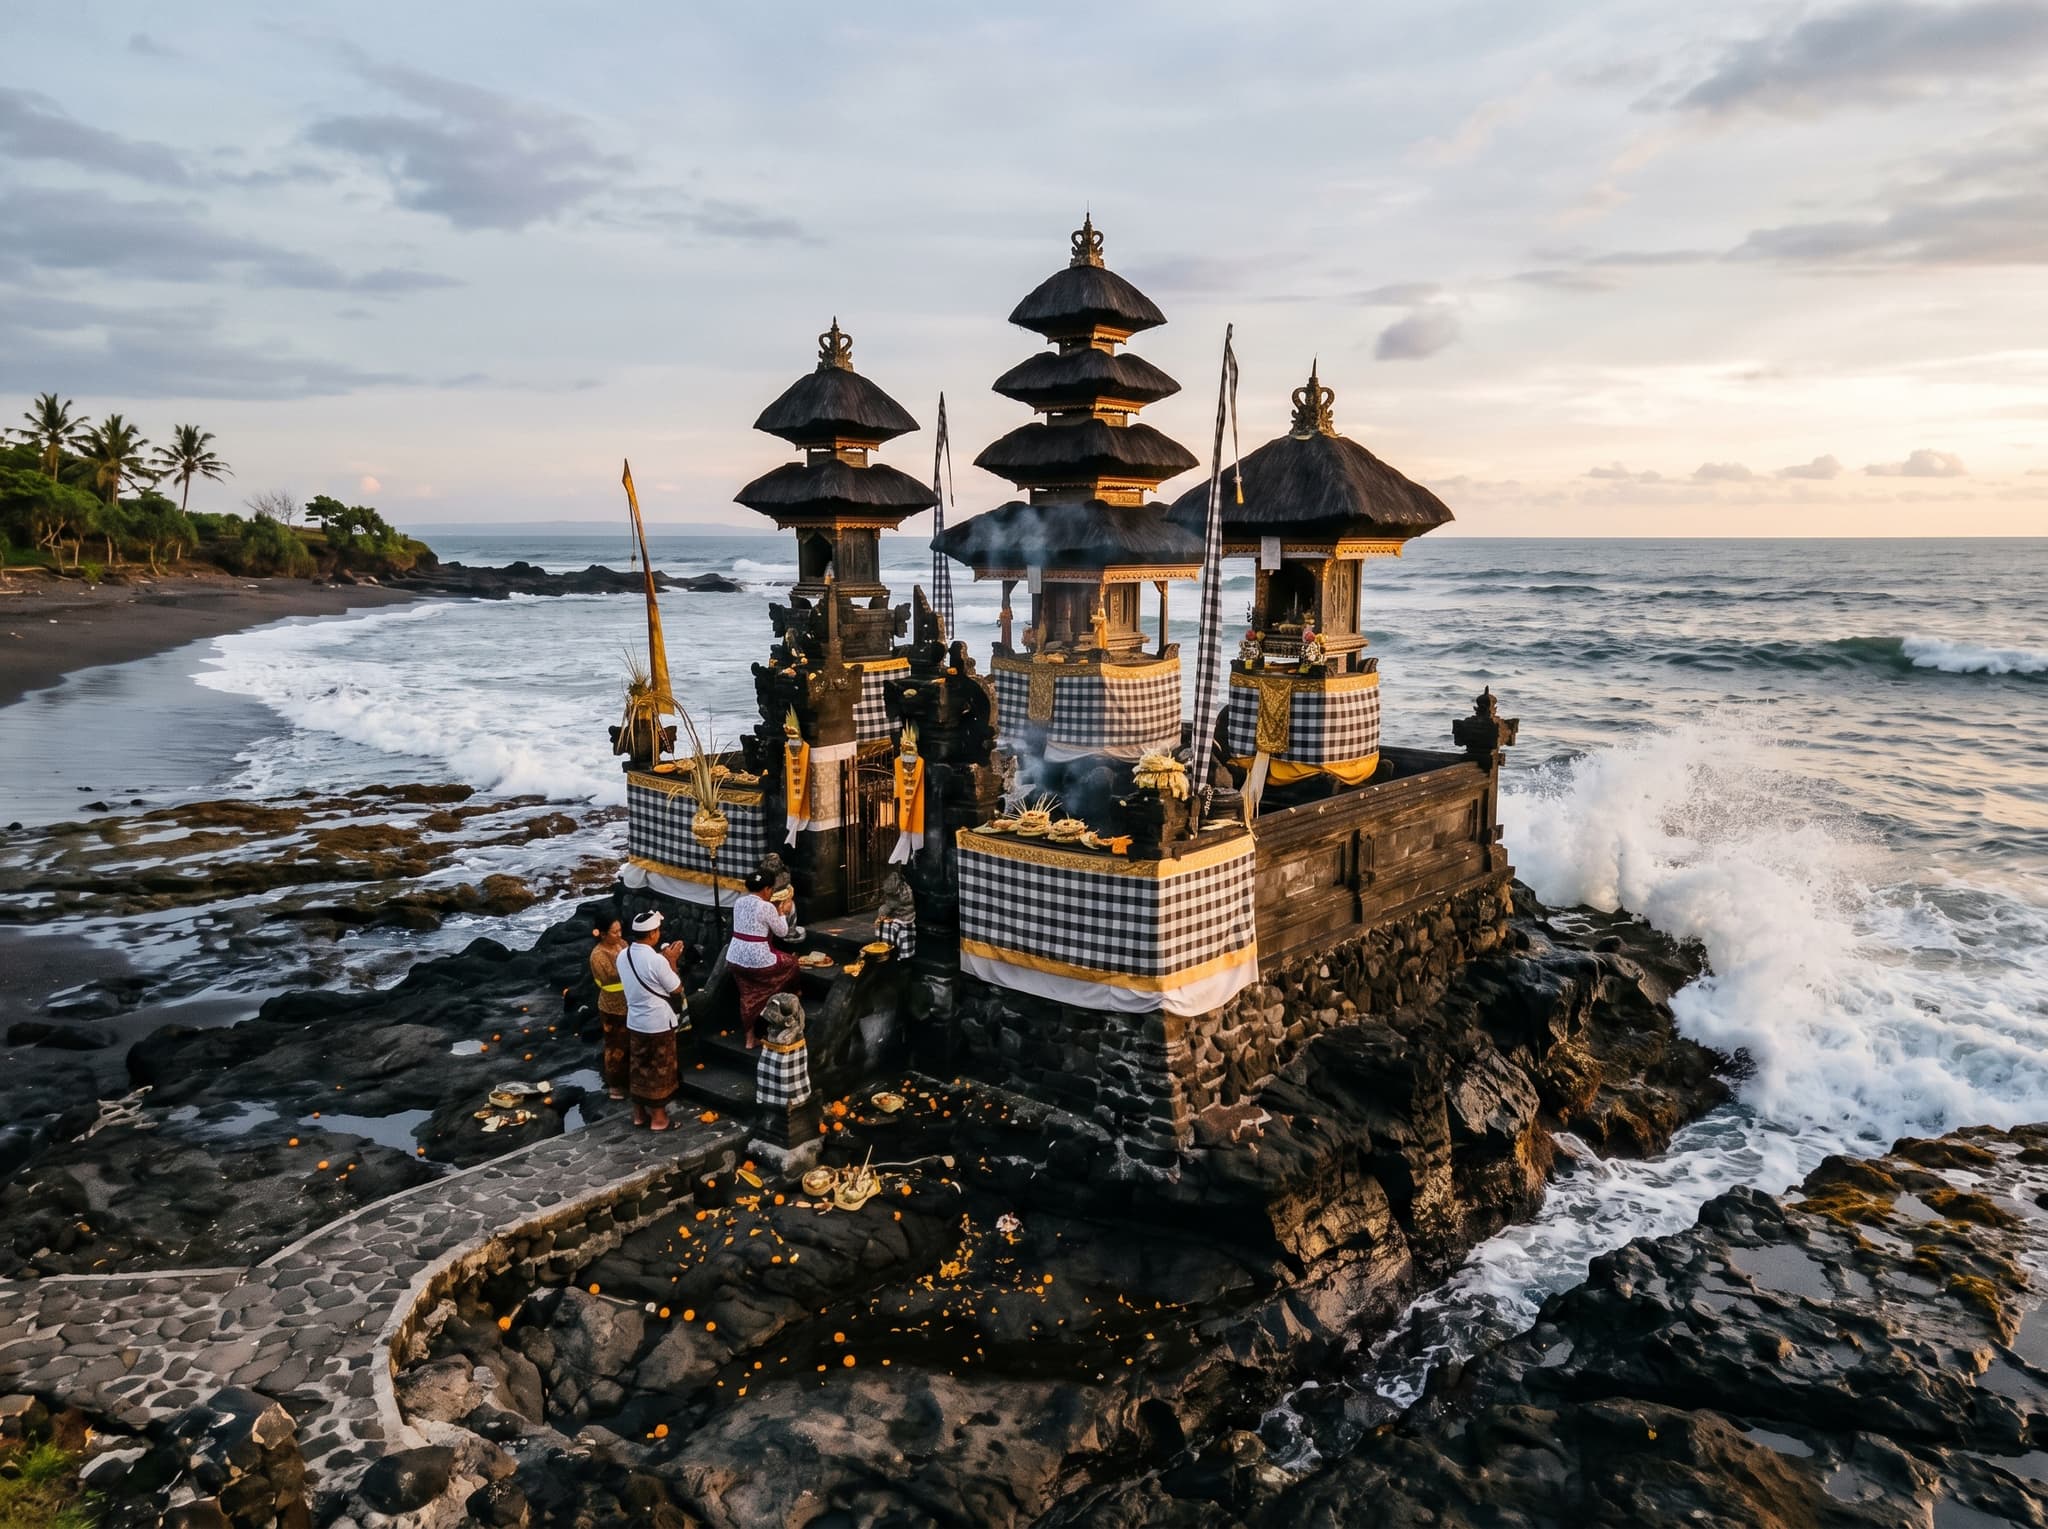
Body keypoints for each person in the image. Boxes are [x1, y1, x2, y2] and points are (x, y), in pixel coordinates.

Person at [619, 909, 686, 1130]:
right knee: (660, 1069)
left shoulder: (623, 955)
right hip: (657, 1022)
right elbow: (676, 988)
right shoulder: (656, 961)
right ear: (653, 934)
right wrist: (672, 961)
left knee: (639, 1066)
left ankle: (638, 1115)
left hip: (635, 1020)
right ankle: (659, 1119)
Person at [727, 869, 799, 1047]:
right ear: (767, 890)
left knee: (747, 995)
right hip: (758, 960)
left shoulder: (738, 902)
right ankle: (796, 994)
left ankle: (749, 1039)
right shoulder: (766, 907)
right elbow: (782, 932)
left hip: (735, 958)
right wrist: (783, 912)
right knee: (792, 963)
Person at [587, 915, 630, 1100]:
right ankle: (614, 1084)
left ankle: (630, 1079)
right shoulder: (597, 955)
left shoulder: (623, 944)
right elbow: (609, 977)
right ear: (603, 934)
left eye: (620, 931)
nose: (619, 935)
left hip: (630, 1002)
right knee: (615, 1047)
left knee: (632, 1043)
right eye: (615, 932)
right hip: (612, 1006)